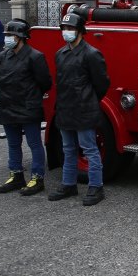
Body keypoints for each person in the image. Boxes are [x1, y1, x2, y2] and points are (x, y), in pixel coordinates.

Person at [48, 12, 111, 206]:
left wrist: (89, 100)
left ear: (81, 31)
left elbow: (102, 84)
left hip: (84, 110)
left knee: (90, 149)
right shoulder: (60, 54)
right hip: (65, 109)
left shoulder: (91, 54)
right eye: (64, 29)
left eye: (70, 29)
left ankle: (96, 187)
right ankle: (69, 184)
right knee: (68, 149)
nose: (66, 32)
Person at [0, 19, 53, 196]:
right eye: (7, 36)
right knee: (13, 143)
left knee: (34, 143)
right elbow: (1, 79)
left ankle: (37, 178)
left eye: (11, 36)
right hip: (7, 104)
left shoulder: (35, 57)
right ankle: (16, 175)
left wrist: (30, 95)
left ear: (20, 38)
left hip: (28, 106)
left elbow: (45, 82)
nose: (7, 39)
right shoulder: (3, 56)